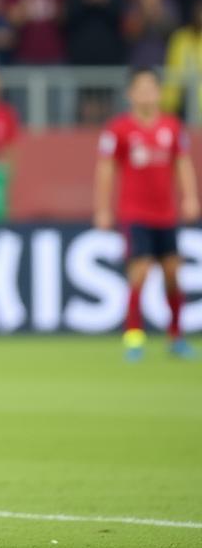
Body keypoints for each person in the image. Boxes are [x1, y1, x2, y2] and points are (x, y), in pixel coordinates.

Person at [94, 67, 200, 361]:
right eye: (140, 88)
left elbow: (183, 164)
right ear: (131, 94)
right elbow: (105, 169)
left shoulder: (171, 127)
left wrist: (190, 197)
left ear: (158, 93)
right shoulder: (119, 129)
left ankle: (176, 337)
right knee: (139, 272)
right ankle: (134, 338)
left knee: (172, 275)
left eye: (151, 88)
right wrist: (103, 209)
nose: (146, 94)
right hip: (135, 213)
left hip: (166, 214)